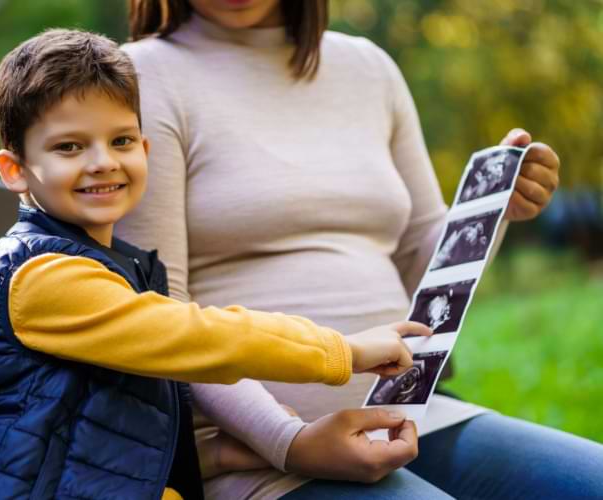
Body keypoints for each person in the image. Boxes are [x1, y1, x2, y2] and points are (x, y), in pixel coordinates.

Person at [118, 1, 603, 498]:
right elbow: (162, 314)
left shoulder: (368, 68)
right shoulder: (142, 77)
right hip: (252, 447)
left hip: (408, 413)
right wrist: (289, 441)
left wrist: (492, 210)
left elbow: (423, 265)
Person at [0, 28, 433, 500]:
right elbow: (201, 338)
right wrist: (344, 349)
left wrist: (221, 454)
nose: (102, 161)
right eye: (69, 147)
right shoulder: (44, 278)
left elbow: (102, 424)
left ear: (145, 150)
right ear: (16, 170)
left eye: (120, 140)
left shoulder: (116, 266)